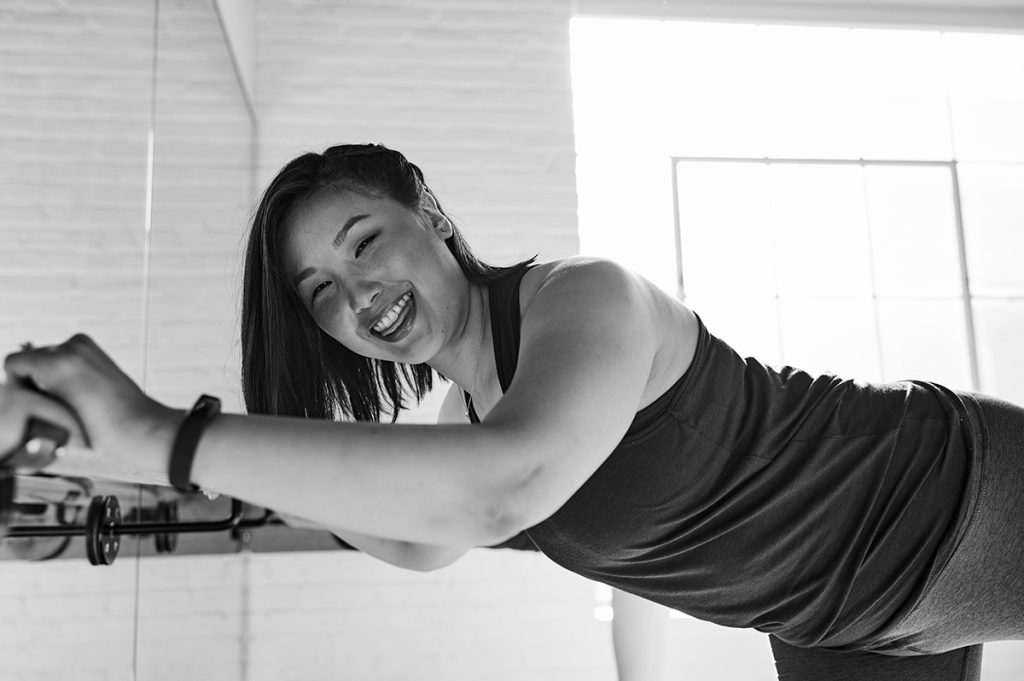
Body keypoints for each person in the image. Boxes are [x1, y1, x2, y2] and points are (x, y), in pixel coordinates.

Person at [2, 143, 1022, 681]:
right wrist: (141, 458)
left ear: (435, 220)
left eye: (365, 243)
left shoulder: (585, 297)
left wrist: (159, 435)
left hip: (952, 497)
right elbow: (417, 543)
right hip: (837, 626)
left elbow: (505, 492)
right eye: (319, 290)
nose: (354, 294)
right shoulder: (469, 413)